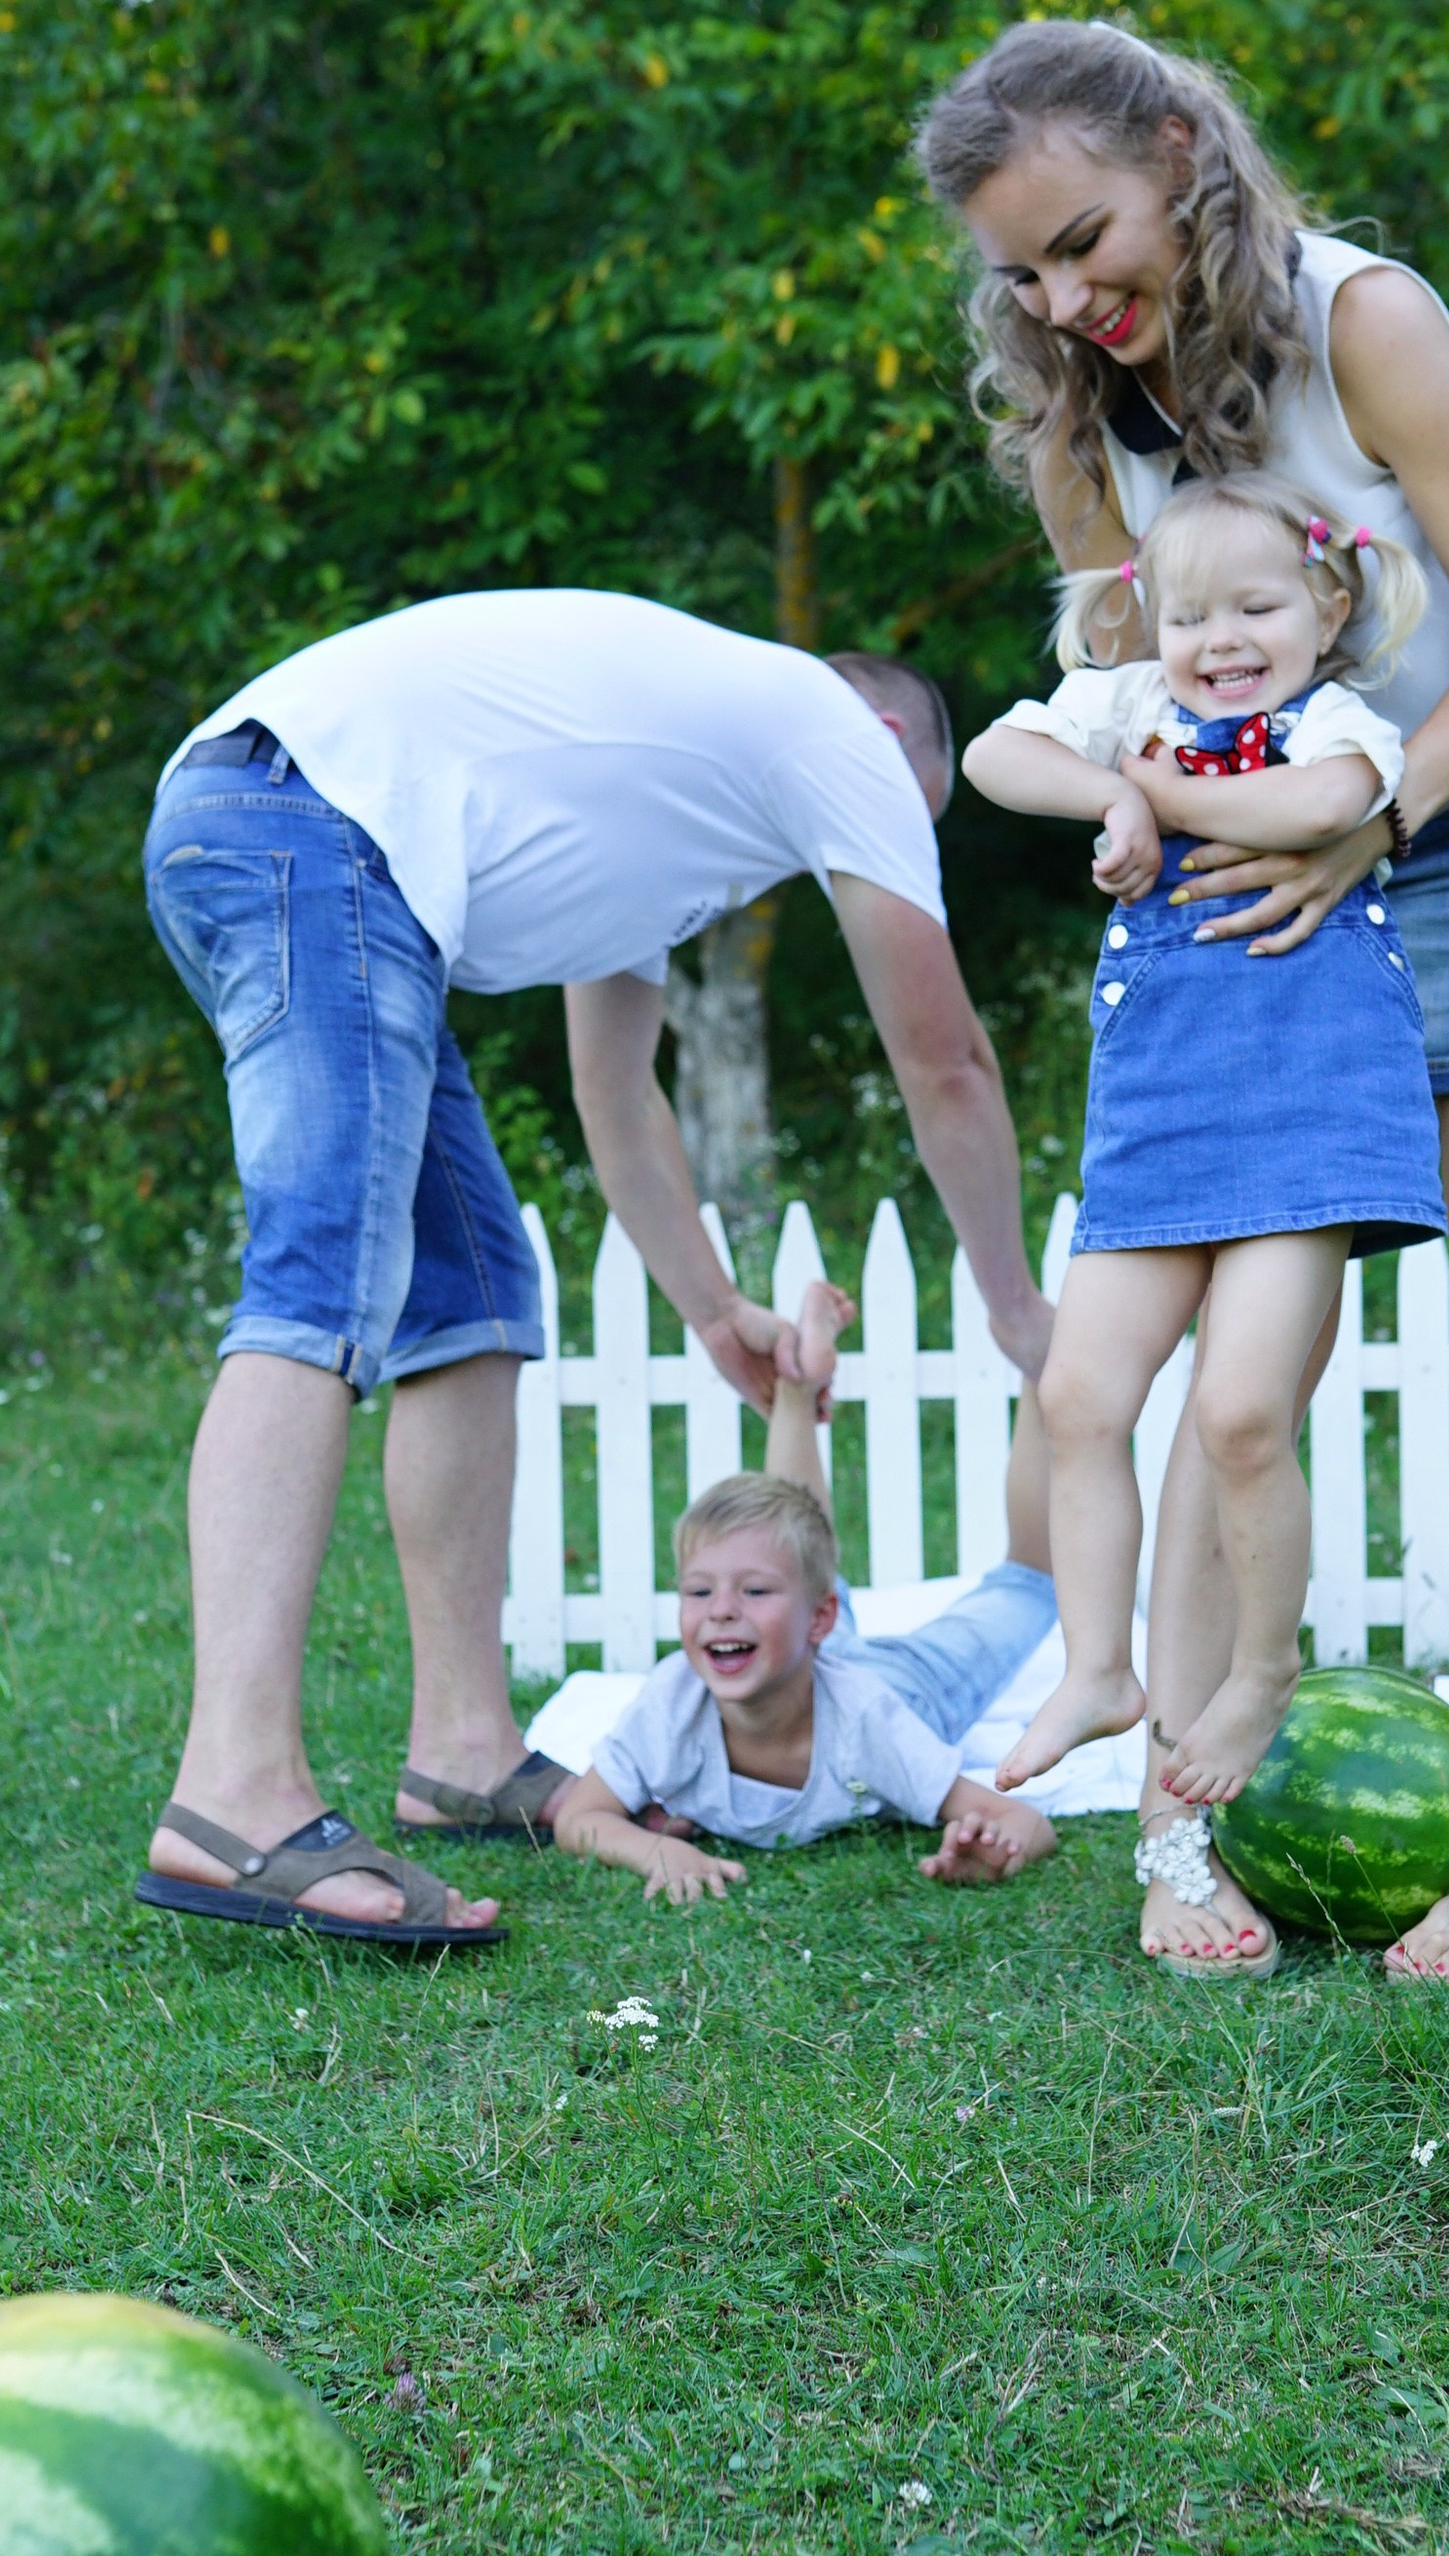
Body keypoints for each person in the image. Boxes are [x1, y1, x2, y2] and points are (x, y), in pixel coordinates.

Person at [916, 20, 1449, 1985]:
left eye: (1084, 239)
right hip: (1239, 873)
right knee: (1212, 1350)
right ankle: (1185, 1830)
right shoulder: (1086, 421)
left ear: (1178, 153)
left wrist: (1374, 809)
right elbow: (1117, 712)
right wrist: (1151, 827)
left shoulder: (1366, 323)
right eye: (1024, 274)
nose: (1067, 299)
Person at [131, 590, 1053, 1950]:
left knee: (478, 1297)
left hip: (308, 842)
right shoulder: (826, 730)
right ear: (884, 740)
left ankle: (464, 1750)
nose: (888, 853)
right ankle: (234, 1791)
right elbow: (946, 1061)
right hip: (304, 825)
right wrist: (1018, 1306)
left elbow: (617, 1101)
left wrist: (712, 1310)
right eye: (907, 815)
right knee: (321, 1280)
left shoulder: (662, 828)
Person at [961, 467, 1444, 1969]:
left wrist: (1145, 788)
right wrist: (1105, 781)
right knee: (1080, 1392)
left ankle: (1261, 1668)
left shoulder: (1348, 726)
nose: (1222, 639)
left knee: (1240, 1415)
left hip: (1311, 1114)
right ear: (1143, 625)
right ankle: (1102, 1666)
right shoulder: (1125, 709)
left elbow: (1317, 808)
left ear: (1329, 608)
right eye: (1189, 615)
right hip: (1162, 1120)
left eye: (1257, 606)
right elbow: (991, 755)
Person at [547, 1285, 1060, 1901]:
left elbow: (1025, 1821)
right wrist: (658, 1849)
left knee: (1029, 1585)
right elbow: (580, 1816)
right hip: (797, 1654)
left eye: (750, 1591)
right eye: (699, 1591)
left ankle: (1041, 1368)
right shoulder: (672, 1705)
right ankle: (797, 1382)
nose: (722, 1611)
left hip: (901, 1684)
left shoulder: (873, 1723)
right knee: (784, 1554)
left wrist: (997, 1851)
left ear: (822, 1621)